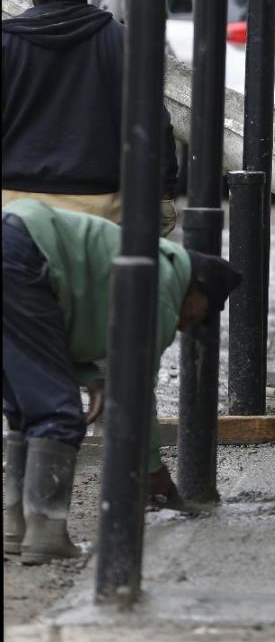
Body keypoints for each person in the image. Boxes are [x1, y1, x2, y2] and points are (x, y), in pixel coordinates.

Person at [2, 199, 242, 565]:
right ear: (197, 290)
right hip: (27, 249)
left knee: (24, 408)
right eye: (203, 314)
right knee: (58, 413)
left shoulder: (152, 262)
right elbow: (135, 397)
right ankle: (47, 534)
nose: (191, 324)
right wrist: (153, 472)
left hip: (18, 237)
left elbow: (67, 324)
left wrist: (91, 377)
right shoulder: (163, 294)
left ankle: (15, 529)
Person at [2, 0, 180, 233]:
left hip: (13, 209)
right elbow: (153, 125)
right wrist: (162, 194)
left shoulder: (6, 43)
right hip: (100, 213)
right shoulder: (125, 45)